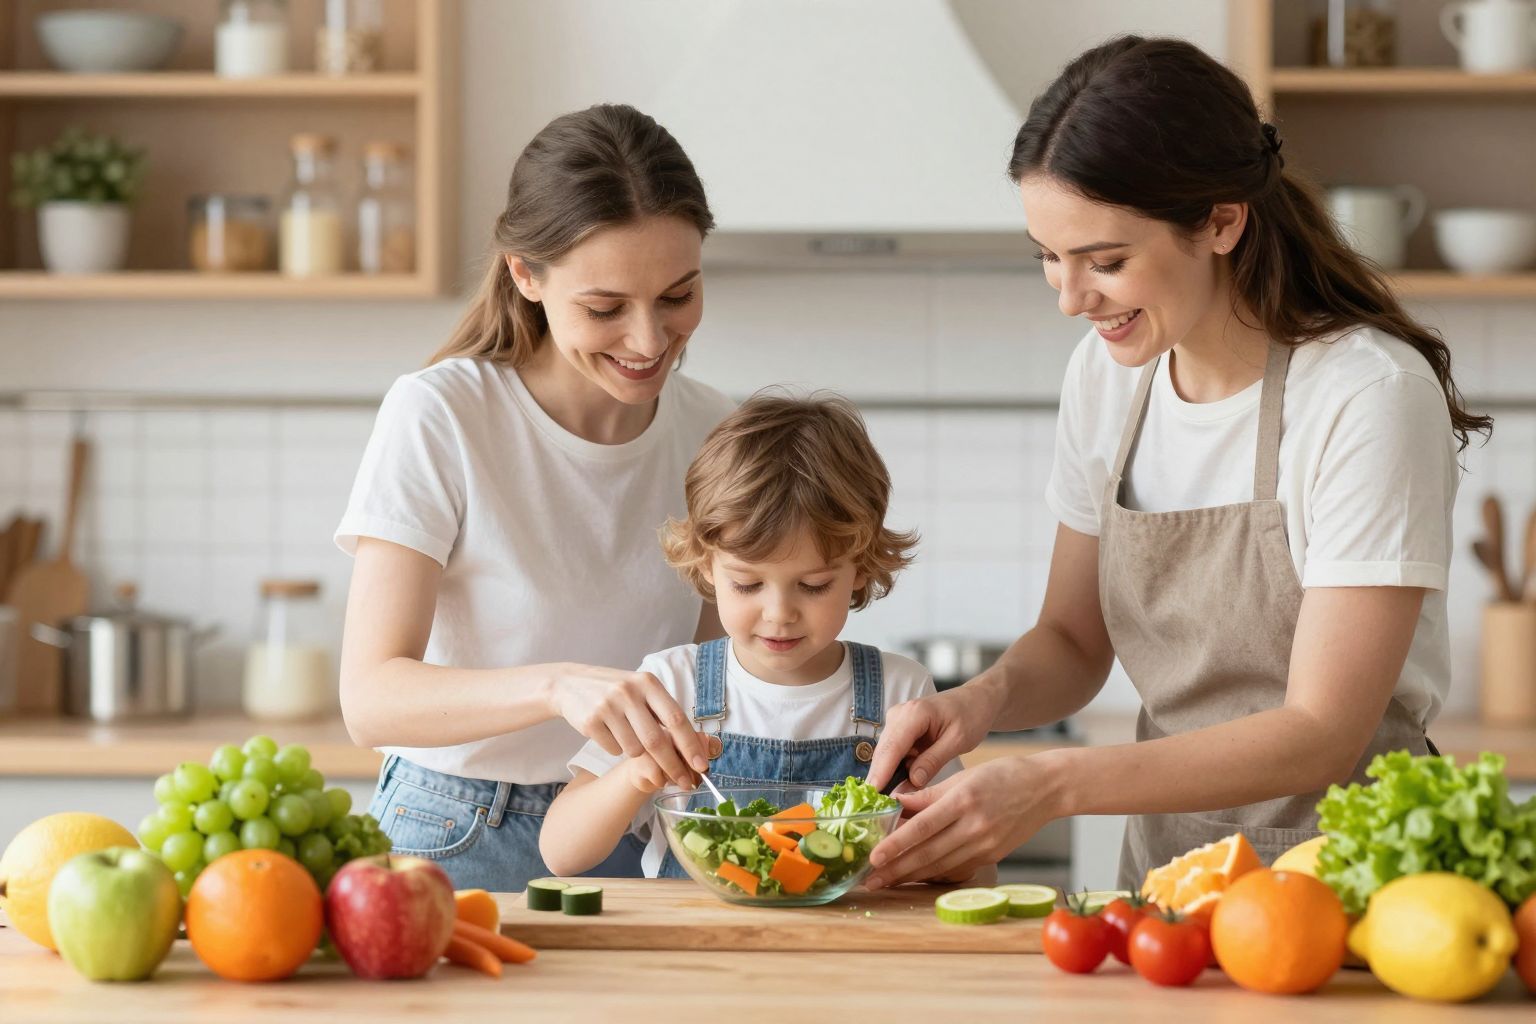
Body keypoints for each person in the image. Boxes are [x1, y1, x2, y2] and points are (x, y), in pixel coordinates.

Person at [863, 36, 1486, 893]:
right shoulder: (1108, 376)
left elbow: (1321, 731)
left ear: (1222, 222)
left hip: (1351, 882)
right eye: (1048, 256)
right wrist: (981, 701)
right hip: (1171, 878)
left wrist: (1049, 784)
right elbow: (1073, 640)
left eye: (1106, 262)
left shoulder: (1367, 394)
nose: (1071, 299)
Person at [334, 104, 736, 891]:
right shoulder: (442, 414)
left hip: (649, 827)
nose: (650, 340)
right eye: (605, 308)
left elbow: (717, 674)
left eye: (678, 295)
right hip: (461, 831)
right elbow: (370, 699)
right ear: (525, 275)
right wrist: (557, 687)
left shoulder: (714, 429)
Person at [540, 393, 988, 885]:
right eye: (747, 584)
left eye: (813, 586)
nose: (779, 615)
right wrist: (634, 777)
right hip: (694, 934)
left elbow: (975, 867)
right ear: (706, 564)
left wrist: (920, 838)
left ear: (860, 568)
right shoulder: (670, 684)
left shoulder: (901, 693)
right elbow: (561, 852)